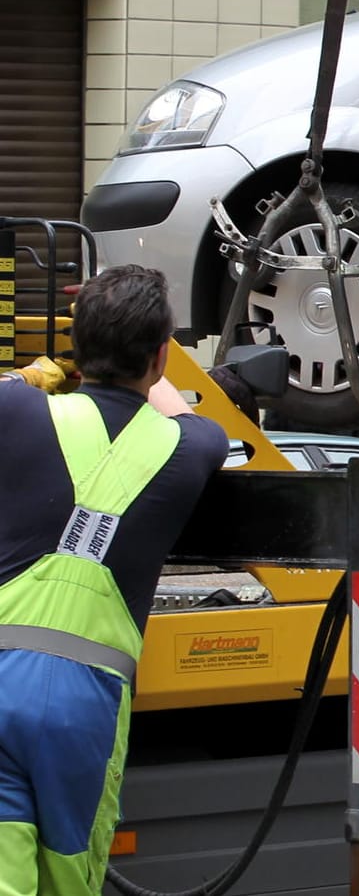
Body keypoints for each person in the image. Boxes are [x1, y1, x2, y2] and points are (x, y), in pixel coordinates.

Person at [0, 265, 227, 896]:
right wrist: (154, 362)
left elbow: (15, 387)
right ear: (159, 356)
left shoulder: (15, 410)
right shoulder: (192, 450)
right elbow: (185, 414)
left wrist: (42, 373)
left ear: (75, 348)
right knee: (69, 876)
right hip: (84, 701)